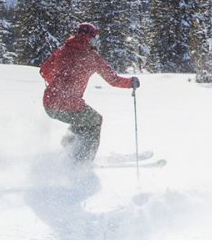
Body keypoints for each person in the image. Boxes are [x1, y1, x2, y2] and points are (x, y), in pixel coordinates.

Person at [40, 23, 140, 163]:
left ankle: (68, 146)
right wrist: (131, 82)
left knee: (82, 119)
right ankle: (82, 161)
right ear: (92, 39)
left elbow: (44, 71)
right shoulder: (91, 57)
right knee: (94, 120)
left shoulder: (62, 50)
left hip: (49, 104)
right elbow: (113, 80)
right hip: (70, 105)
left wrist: (58, 85)